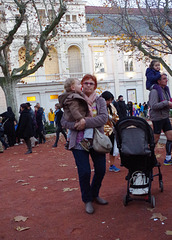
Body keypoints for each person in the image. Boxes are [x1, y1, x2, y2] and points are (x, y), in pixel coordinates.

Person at [61, 74, 108, 214]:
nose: (88, 85)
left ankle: (94, 194)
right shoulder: (73, 99)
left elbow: (103, 118)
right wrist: (77, 125)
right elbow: (64, 122)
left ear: (95, 86)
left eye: (91, 83)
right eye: (85, 83)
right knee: (84, 172)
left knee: (100, 170)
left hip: (97, 140)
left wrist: (85, 122)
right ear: (81, 85)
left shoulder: (100, 101)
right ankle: (87, 200)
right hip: (78, 142)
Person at [58, 78, 93, 152]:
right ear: (73, 88)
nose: (81, 85)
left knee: (70, 130)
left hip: (71, 118)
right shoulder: (73, 97)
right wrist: (81, 118)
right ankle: (86, 139)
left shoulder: (70, 97)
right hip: (76, 118)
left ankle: (68, 140)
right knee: (90, 126)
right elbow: (74, 110)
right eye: (79, 84)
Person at [149, 73, 172, 165]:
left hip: (165, 117)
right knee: (155, 139)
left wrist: (169, 105)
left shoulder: (165, 90)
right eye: (164, 79)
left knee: (170, 137)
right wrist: (167, 103)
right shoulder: (154, 91)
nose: (166, 80)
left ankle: (168, 158)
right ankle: (150, 158)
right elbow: (153, 106)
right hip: (157, 118)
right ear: (158, 81)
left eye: (166, 78)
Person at [101, 91, 120, 172]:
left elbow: (116, 117)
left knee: (112, 149)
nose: (109, 102)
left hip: (111, 131)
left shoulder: (111, 106)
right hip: (101, 131)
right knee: (100, 149)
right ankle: (100, 166)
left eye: (110, 100)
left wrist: (114, 119)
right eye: (108, 100)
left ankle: (112, 165)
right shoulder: (96, 106)